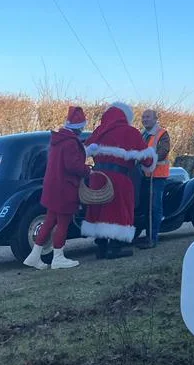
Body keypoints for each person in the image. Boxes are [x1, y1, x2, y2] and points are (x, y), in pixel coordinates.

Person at [81, 102, 156, 260]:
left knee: (98, 209)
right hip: (119, 178)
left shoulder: (99, 131)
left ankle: (101, 247)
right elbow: (148, 160)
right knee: (118, 210)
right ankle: (115, 247)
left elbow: (83, 151)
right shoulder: (130, 132)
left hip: (97, 177)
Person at [23, 105, 90, 271]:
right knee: (63, 223)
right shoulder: (70, 143)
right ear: (79, 126)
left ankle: (34, 256)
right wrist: (88, 170)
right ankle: (58, 257)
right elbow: (73, 166)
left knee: (49, 221)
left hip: (53, 187)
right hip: (65, 188)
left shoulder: (58, 140)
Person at [136, 108, 170, 249]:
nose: (145, 119)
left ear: (156, 119)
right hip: (143, 176)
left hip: (157, 176)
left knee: (155, 207)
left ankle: (153, 237)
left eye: (148, 117)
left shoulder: (162, 134)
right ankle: (145, 235)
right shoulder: (142, 134)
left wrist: (144, 158)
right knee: (145, 206)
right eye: (143, 117)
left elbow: (162, 153)